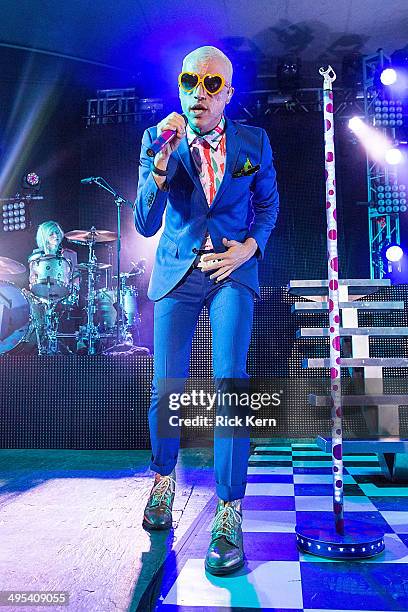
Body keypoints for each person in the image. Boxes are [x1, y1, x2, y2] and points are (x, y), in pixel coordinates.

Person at [134, 46, 279, 575]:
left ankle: (228, 512)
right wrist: (158, 165)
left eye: (212, 83)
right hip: (177, 270)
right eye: (190, 80)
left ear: (228, 94)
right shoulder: (158, 139)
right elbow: (146, 224)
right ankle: (162, 483)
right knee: (166, 387)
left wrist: (250, 247)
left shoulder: (253, 142)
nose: (200, 90)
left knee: (230, 384)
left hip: (231, 273)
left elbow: (268, 205)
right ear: (179, 87)